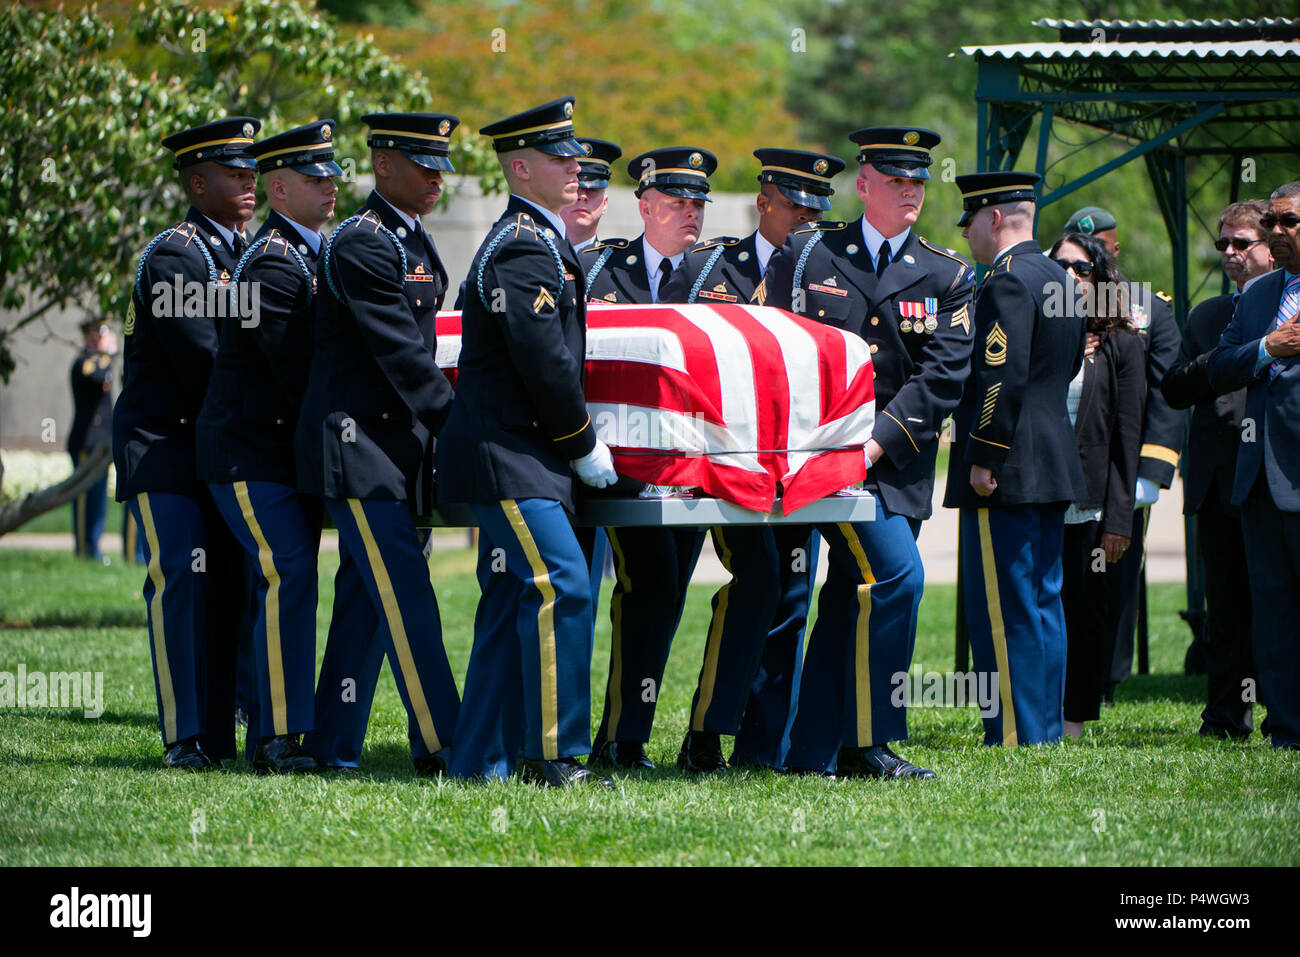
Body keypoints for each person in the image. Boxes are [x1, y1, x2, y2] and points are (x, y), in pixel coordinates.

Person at [757, 127, 975, 777]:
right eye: (897, 179)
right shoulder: (809, 255)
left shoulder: (948, 274)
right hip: (818, 459)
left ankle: (811, 751)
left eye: (919, 180)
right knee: (898, 577)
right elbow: (779, 346)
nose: (911, 190)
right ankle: (869, 741)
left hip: (893, 463)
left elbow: (942, 377)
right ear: (864, 184)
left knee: (852, 594)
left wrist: (873, 446)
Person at [438, 97, 615, 789]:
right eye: (559, 156)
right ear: (520, 166)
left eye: (574, 155)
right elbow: (543, 361)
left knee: (513, 597)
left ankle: (478, 758)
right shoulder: (521, 245)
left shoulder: (540, 242)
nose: (576, 165)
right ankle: (555, 755)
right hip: (507, 457)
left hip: (520, 454)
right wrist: (582, 443)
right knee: (562, 582)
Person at [659, 147, 845, 772]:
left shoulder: (829, 270)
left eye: (816, 210)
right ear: (764, 201)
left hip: (795, 459)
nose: (807, 221)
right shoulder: (709, 264)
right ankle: (706, 728)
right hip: (718, 455)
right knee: (751, 581)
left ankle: (764, 745)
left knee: (792, 595)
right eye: (795, 207)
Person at [294, 112, 462, 776]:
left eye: (441, 166)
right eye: (423, 164)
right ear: (384, 164)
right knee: (405, 592)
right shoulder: (364, 241)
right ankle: (443, 742)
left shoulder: (413, 240)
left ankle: (331, 743)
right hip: (358, 450)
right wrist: (461, 424)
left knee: (367, 601)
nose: (436, 179)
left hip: (397, 451)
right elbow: (401, 355)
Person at [112, 117, 261, 769]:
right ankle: (184, 736)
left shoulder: (239, 251)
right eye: (235, 173)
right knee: (181, 580)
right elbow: (204, 358)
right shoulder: (178, 253)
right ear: (198, 183)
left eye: (253, 171)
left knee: (231, 583)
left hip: (216, 448)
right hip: (166, 451)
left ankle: (225, 722)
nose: (250, 182)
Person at [197, 120, 344, 773]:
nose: (331, 185)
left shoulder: (305, 254)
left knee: (284, 576)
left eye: (334, 174)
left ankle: (281, 724)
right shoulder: (273, 263)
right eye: (316, 177)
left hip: (277, 454)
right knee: (289, 570)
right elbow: (298, 374)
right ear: (281, 187)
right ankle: (277, 736)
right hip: (248, 454)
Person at [580, 146, 717, 770]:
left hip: (687, 468)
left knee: (662, 598)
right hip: (607, 463)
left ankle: (623, 735)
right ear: (644, 206)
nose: (691, 214)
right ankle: (593, 738)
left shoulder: (716, 273)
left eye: (697, 204)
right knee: (624, 590)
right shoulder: (595, 268)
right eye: (677, 202)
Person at [943, 171, 1087, 747]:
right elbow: (1069, 366)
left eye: (972, 221)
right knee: (1044, 602)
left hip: (1006, 469)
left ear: (994, 218)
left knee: (1003, 607)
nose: (969, 235)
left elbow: (999, 377)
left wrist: (985, 455)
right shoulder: (1059, 277)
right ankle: (1044, 729)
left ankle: (1013, 731)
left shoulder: (1006, 282)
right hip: (1051, 458)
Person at [1161, 200, 1273, 739]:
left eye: (1242, 242)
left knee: (1279, 601)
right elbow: (1176, 387)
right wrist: (1241, 356)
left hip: (1276, 474)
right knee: (1225, 608)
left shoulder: (1287, 308)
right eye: (1223, 244)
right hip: (1216, 478)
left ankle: (1284, 708)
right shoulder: (1208, 316)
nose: (1230, 253)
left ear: (1272, 245)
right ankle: (1227, 715)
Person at [1063, 206, 1183, 696]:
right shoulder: (1055, 304)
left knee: (1114, 576)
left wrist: (1150, 473)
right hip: (1069, 470)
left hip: (1125, 470)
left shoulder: (1147, 308)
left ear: (1113, 251)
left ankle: (1108, 678)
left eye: (1102, 249)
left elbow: (1163, 394)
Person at [1206, 180, 1300, 751]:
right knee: (1274, 614)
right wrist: (1269, 348)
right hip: (1261, 480)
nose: (1277, 233)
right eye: (1272, 222)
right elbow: (1217, 369)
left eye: (1289, 222)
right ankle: (1287, 729)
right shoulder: (1262, 296)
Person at [1047, 233, 1145, 739]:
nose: (1070, 276)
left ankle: (1074, 719)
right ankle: (1031, 714)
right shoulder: (1035, 332)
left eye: (1081, 269)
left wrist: (1119, 519)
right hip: (1037, 498)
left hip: (1090, 505)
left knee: (1085, 611)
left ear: (1100, 276)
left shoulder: (1122, 343)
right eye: (1059, 266)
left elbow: (1128, 437)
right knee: (1035, 611)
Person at [561, 137, 621, 614]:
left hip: (603, 450)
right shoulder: (518, 251)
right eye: (577, 187)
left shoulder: (623, 272)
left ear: (607, 201)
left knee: (582, 597)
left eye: (594, 190)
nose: (584, 198)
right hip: (536, 450)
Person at [69, 320, 115, 562]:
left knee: (98, 500)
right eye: (102, 332)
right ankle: (83, 550)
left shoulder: (101, 361)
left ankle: (94, 548)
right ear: (90, 334)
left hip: (102, 444)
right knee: (85, 498)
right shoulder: (85, 363)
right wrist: (107, 352)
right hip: (86, 442)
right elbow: (98, 378)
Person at [562, 137, 621, 253]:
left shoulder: (617, 266)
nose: (582, 196)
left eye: (593, 190)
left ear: (605, 203)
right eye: (575, 188)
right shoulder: (533, 255)